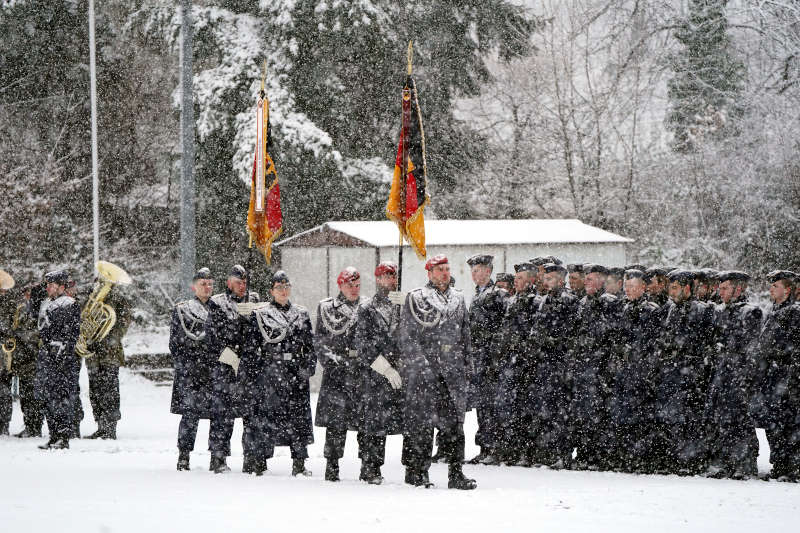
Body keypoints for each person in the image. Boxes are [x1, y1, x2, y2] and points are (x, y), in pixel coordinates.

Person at [399, 254, 476, 489]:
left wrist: (467, 366)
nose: (444, 273)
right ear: (429, 273)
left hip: (452, 374)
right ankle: (418, 472)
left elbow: (465, 336)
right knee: (421, 425)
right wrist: (421, 365)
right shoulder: (416, 298)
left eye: (447, 268)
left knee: (454, 426)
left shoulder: (458, 298)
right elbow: (407, 337)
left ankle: (456, 473)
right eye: (439, 269)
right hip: (425, 373)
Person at [241, 271, 316, 477]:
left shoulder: (301, 313)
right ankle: (259, 461)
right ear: (271, 291)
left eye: (286, 287)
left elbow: (310, 346)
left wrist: (307, 367)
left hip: (295, 372)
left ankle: (299, 462)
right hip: (270, 373)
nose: (283, 291)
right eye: (279, 288)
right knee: (266, 418)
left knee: (298, 419)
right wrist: (255, 373)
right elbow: (250, 348)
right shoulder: (260, 314)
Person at [652, 269, 715, 475]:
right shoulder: (668, 310)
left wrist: (686, 352)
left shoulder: (703, 310)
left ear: (687, 288)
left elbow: (706, 341)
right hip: (671, 372)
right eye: (670, 287)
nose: (671, 292)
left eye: (675, 288)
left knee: (691, 418)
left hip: (691, 373)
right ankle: (674, 457)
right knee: (670, 418)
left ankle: (692, 459)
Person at [703, 270, 761, 479]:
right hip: (721, 372)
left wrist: (731, 353)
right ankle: (725, 460)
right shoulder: (719, 311)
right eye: (720, 287)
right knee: (720, 418)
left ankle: (744, 463)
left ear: (739, 288)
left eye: (725, 287)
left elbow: (751, 346)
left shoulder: (751, 312)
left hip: (738, 373)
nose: (721, 291)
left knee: (739, 420)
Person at [205, 264, 258, 473]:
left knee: (251, 415)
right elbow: (211, 337)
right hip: (225, 367)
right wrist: (231, 358)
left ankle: (251, 458)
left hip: (249, 367)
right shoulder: (218, 303)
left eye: (244, 282)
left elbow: (257, 333)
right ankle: (218, 458)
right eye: (238, 282)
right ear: (229, 283)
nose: (242, 286)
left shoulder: (253, 302)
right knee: (222, 416)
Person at [607, 269, 661, 473]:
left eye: (633, 287)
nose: (628, 290)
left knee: (640, 417)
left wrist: (638, 357)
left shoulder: (651, 310)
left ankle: (640, 458)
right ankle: (623, 455)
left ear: (643, 288)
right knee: (620, 415)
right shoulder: (622, 307)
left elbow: (652, 343)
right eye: (626, 286)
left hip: (640, 373)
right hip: (622, 371)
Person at [314, 267, 365, 482]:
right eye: (349, 285)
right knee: (336, 424)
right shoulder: (327, 308)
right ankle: (332, 464)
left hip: (362, 372)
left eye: (357, 285)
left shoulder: (367, 307)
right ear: (340, 286)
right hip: (337, 373)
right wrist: (334, 363)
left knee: (366, 423)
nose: (354, 289)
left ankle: (368, 465)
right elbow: (320, 341)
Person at [355, 261, 404, 485]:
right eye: (386, 276)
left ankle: (413, 468)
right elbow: (363, 345)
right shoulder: (367, 308)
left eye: (393, 276)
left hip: (401, 372)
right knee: (374, 424)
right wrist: (385, 368)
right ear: (377, 279)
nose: (390, 281)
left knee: (406, 422)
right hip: (375, 374)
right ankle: (370, 467)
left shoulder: (403, 305)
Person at [527, 263, 579, 469]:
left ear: (561, 280)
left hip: (561, 363)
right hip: (546, 363)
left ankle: (563, 452)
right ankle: (550, 451)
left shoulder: (569, 301)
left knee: (562, 411)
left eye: (550, 279)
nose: (546, 283)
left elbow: (572, 333)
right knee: (547, 409)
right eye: (545, 279)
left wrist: (551, 341)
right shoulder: (545, 300)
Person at [169, 268, 222, 471]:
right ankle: (184, 455)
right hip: (191, 372)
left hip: (214, 370)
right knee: (190, 416)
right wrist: (189, 364)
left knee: (217, 416)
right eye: (203, 284)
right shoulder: (182, 309)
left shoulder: (218, 309)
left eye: (210, 284)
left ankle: (216, 457)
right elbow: (175, 343)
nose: (207, 288)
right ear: (194, 286)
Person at [752, 270, 800, 481]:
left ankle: (792, 466)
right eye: (771, 286)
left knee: (789, 423)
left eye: (776, 286)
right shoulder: (773, 311)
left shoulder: (794, 313)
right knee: (774, 423)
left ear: (787, 290)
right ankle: (780, 464)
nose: (771, 289)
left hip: (787, 374)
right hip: (772, 375)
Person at [570, 264, 619, 470]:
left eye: (591, 279)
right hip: (584, 367)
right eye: (586, 279)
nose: (587, 283)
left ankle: (599, 455)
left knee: (599, 413)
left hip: (600, 368)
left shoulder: (610, 303)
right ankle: (584, 452)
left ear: (601, 281)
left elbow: (611, 335)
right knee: (582, 413)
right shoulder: (582, 303)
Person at [493, 261, 539, 466]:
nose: (516, 282)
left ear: (531, 280)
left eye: (520, 278)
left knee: (525, 408)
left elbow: (535, 333)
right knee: (508, 407)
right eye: (516, 278)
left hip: (525, 362)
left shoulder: (536, 302)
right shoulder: (512, 301)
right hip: (509, 361)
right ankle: (511, 449)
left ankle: (526, 451)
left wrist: (520, 346)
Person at [465, 254, 507, 465]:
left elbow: (503, 328)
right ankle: (484, 446)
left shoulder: (498, 294)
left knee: (493, 405)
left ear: (489, 271)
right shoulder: (477, 295)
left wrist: (494, 354)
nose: (475, 274)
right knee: (482, 405)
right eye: (473, 271)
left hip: (492, 360)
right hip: (479, 359)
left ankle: (495, 448)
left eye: (478, 270)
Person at [36, 270, 81, 450]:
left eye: (51, 284)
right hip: (48, 356)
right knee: (49, 398)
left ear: (61, 287)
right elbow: (41, 327)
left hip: (62, 357)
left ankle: (63, 435)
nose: (47, 287)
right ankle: (53, 434)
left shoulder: (69, 304)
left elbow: (71, 333)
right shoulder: (47, 303)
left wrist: (62, 352)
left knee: (62, 398)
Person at [84, 273, 132, 440]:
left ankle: (109, 427)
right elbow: (84, 321)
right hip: (92, 354)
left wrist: (104, 339)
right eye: (98, 281)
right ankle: (100, 425)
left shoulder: (119, 300)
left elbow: (122, 325)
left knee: (109, 390)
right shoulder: (90, 299)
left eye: (103, 281)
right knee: (95, 390)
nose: (99, 284)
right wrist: (89, 339)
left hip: (110, 353)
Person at [11, 283, 45, 438]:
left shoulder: (39, 310)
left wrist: (19, 334)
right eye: (25, 293)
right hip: (23, 358)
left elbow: (36, 333)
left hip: (33, 359)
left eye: (29, 293)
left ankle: (34, 427)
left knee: (33, 396)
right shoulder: (23, 308)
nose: (26, 296)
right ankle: (29, 425)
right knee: (25, 396)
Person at [0, 269, 16, 434]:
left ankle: (3, 424)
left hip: (3, 354)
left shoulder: (8, 303)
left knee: (4, 391)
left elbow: (10, 327)